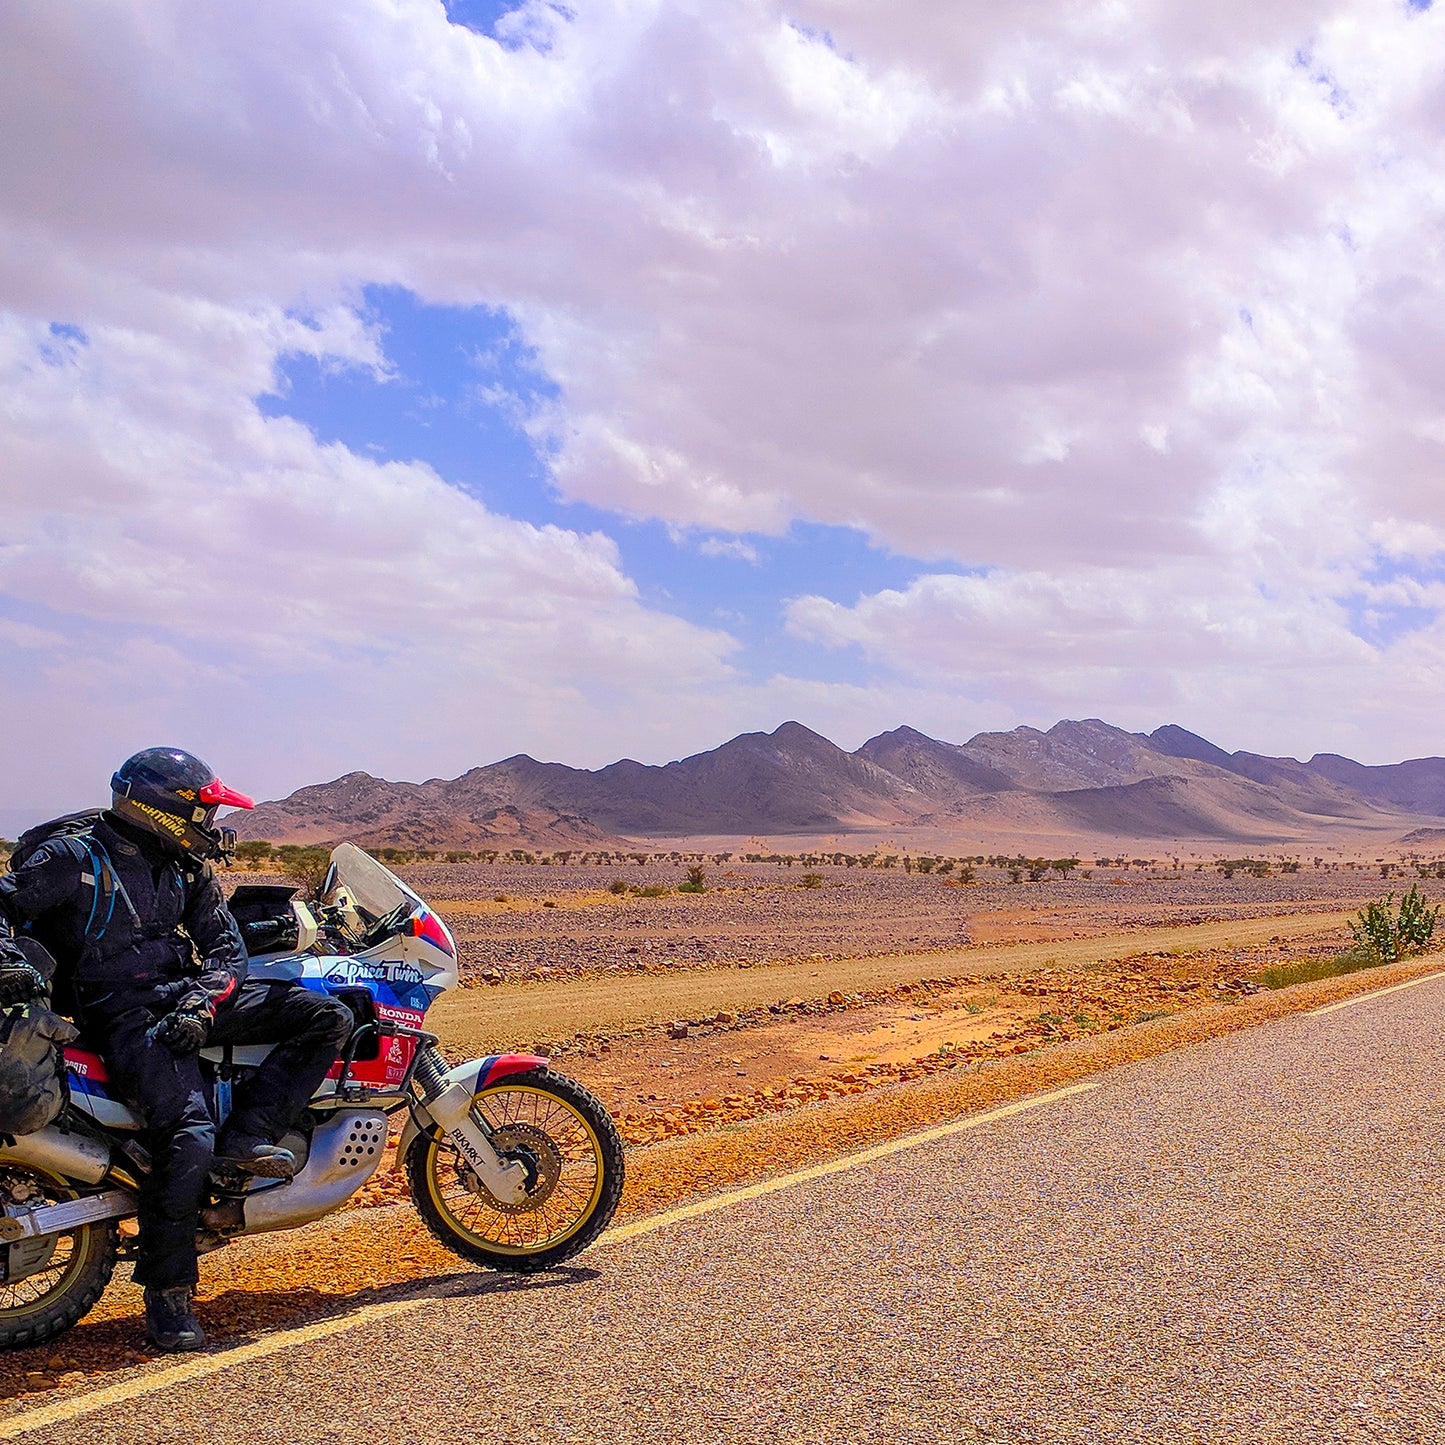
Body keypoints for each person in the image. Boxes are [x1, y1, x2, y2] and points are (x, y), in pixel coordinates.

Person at [0, 749, 352, 1353]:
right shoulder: (73, 856)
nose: (210, 825)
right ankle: (168, 1295)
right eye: (202, 810)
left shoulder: (186, 867)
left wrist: (202, 1004)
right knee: (185, 1134)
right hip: (120, 1013)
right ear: (162, 806)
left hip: (184, 1001)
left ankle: (245, 1137)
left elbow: (224, 951)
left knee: (327, 1014)